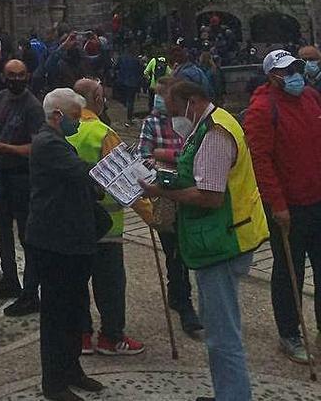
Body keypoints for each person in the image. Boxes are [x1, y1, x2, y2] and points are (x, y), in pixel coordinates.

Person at [141, 80, 269, 401]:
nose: (172, 119)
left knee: (223, 336)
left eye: (173, 111)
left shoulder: (214, 134)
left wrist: (160, 190)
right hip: (220, 236)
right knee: (219, 328)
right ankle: (227, 392)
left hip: (222, 240)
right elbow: (196, 175)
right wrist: (162, 175)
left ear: (193, 102)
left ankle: (234, 396)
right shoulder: (209, 125)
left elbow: (209, 195)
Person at [27, 88, 105, 401]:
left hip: (72, 239)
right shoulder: (47, 143)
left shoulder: (59, 141)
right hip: (55, 241)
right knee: (56, 314)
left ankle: (72, 368)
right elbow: (82, 174)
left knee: (74, 309)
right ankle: (54, 381)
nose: (80, 123)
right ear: (57, 116)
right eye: (75, 116)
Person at [243, 49, 321, 364]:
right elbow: (260, 161)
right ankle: (289, 332)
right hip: (289, 206)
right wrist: (277, 204)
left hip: (317, 198)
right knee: (290, 272)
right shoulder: (262, 109)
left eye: (296, 69)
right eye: (287, 71)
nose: (295, 75)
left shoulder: (312, 98)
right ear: (273, 76)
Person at [68, 78, 152, 356]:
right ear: (96, 100)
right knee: (110, 284)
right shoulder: (103, 133)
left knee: (77, 282)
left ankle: (81, 335)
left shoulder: (64, 130)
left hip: (73, 221)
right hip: (107, 223)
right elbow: (125, 181)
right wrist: (152, 215)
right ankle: (111, 336)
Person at [0, 60, 44, 317]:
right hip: (1, 176)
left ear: (27, 76)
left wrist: (4, 148)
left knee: (27, 236)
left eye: (21, 75)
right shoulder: (0, 97)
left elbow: (36, 147)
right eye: (11, 75)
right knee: (1, 227)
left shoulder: (34, 107)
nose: (16, 79)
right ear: (3, 76)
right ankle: (10, 279)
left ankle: (30, 293)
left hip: (23, 177)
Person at [137, 76, 202, 334]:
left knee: (184, 249)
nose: (160, 100)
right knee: (173, 250)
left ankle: (179, 293)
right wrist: (162, 163)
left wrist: (167, 156)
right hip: (164, 192)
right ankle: (181, 297)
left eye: (164, 95)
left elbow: (196, 152)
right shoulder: (151, 122)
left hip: (188, 188)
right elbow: (144, 156)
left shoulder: (189, 123)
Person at [113, 47, 143, 126]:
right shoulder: (136, 60)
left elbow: (116, 67)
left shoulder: (122, 58)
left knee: (126, 99)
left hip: (122, 82)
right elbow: (140, 72)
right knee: (131, 100)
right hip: (132, 83)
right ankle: (128, 118)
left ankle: (126, 114)